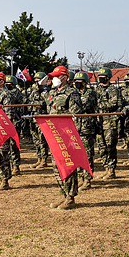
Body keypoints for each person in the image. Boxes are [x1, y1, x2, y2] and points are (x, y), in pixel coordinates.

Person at [45, 66, 84, 209]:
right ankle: (63, 194)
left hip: (65, 135)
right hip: (53, 133)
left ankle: (71, 197)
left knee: (68, 165)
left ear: (65, 78)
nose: (54, 79)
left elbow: (75, 115)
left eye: (57, 76)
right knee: (57, 166)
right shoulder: (53, 92)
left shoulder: (72, 93)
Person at [94, 67, 123, 179]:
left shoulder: (113, 89)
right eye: (99, 76)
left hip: (110, 122)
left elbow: (113, 103)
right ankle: (106, 167)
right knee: (102, 147)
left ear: (108, 77)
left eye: (103, 76)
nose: (101, 78)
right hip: (99, 122)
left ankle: (111, 170)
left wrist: (99, 104)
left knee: (110, 146)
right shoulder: (97, 90)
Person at [72, 71, 99, 190]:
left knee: (87, 154)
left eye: (79, 81)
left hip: (87, 128)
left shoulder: (90, 93)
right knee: (77, 154)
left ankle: (87, 179)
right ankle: (81, 177)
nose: (77, 83)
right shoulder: (74, 93)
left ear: (85, 82)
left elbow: (83, 105)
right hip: (75, 128)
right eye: (75, 81)